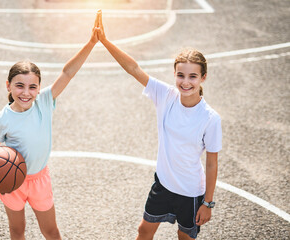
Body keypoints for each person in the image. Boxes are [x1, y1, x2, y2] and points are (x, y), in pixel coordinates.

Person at [94, 10, 222, 240]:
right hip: (163, 184)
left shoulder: (210, 118)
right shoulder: (166, 95)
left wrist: (208, 203)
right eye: (180, 75)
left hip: (190, 192)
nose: (185, 82)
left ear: (203, 78)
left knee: (184, 237)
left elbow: (212, 163)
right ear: (174, 74)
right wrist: (104, 41)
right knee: (143, 231)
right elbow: (134, 69)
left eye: (193, 76)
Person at [0, 13, 100, 240]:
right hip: (12, 182)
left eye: (32, 86)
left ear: (39, 88)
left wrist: (91, 43)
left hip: (39, 179)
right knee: (17, 229)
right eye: (19, 86)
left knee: (50, 231)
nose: (26, 92)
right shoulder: (2, 118)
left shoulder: (45, 103)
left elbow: (68, 72)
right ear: (8, 86)